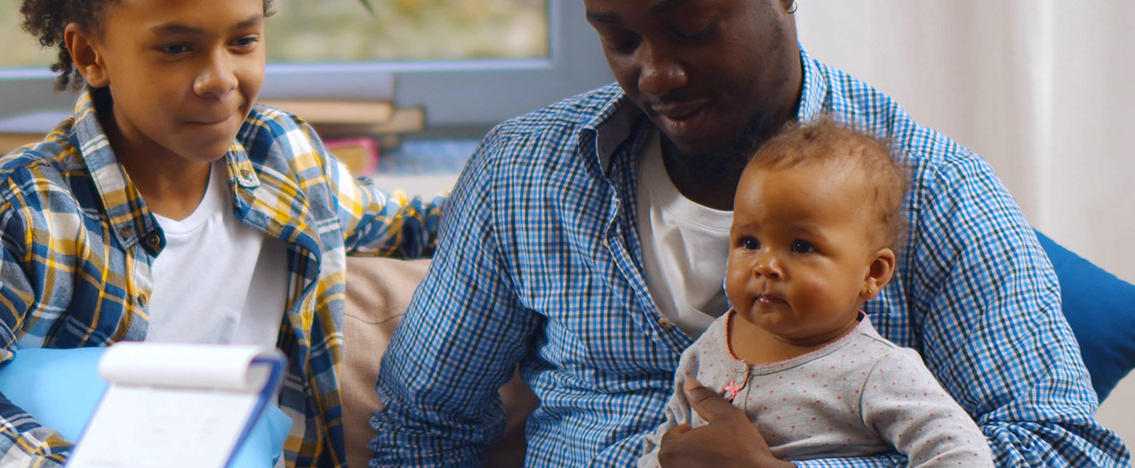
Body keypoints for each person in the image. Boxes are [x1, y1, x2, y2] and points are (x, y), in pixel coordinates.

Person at [369, 0, 1128, 465]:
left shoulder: (940, 193)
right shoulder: (522, 176)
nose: (655, 73)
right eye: (619, 36)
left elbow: (1063, 453)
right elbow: (423, 424)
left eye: (691, 28)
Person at [0, 0, 444, 466]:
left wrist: (519, 189)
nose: (220, 79)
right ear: (90, 54)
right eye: (176, 48)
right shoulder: (26, 206)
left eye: (243, 41)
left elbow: (410, 225)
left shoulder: (285, 157)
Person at [637, 120, 990, 467]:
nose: (766, 265)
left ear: (872, 273)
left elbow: (961, 455)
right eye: (749, 242)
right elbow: (668, 439)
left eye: (801, 246)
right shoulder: (713, 342)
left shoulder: (881, 371)